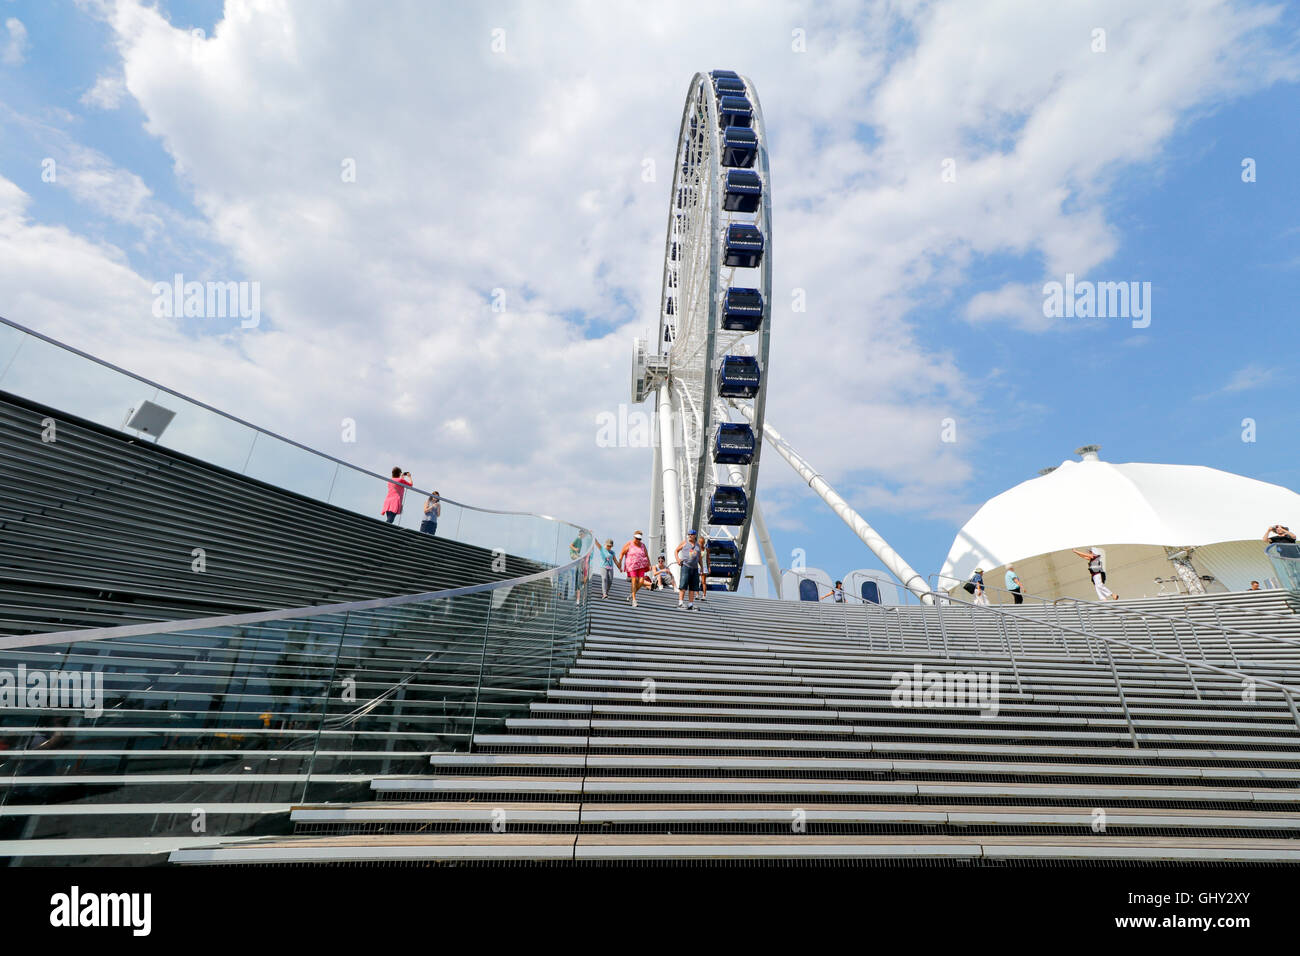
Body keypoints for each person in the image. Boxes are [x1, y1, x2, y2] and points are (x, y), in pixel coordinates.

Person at [618, 531, 652, 607]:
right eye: (637, 538)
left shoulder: (643, 545)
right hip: (631, 565)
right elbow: (622, 553)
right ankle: (634, 599)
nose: (638, 540)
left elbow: (646, 555)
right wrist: (620, 562)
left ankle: (632, 594)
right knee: (633, 580)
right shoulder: (629, 544)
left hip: (641, 565)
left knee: (641, 581)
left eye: (640, 539)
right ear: (634, 537)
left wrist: (649, 564)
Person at [675, 529, 704, 610]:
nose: (690, 536)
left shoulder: (698, 545)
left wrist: (701, 568)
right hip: (686, 566)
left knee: (693, 587)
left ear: (695, 535)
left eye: (691, 534)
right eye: (689, 534)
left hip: (694, 568)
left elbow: (700, 558)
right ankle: (680, 603)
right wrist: (678, 559)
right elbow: (676, 551)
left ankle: (690, 604)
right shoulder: (684, 543)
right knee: (683, 584)